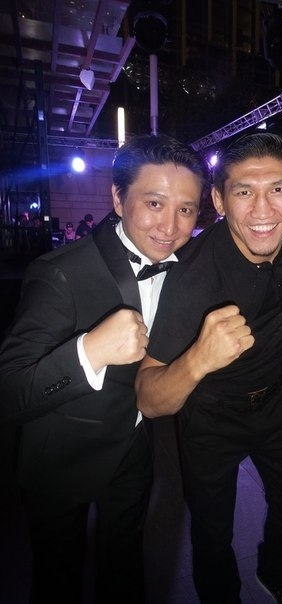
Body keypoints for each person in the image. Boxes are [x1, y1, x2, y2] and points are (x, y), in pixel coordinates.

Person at [0, 133, 209, 604]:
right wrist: (89, 352)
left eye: (186, 209)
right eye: (153, 203)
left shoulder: (186, 265)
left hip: (132, 450)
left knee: (125, 567)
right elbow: (8, 391)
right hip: (60, 458)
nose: (170, 226)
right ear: (118, 198)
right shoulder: (60, 273)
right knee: (57, 577)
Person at [136, 133, 282, 604]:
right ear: (219, 201)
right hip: (210, 416)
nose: (263, 210)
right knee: (212, 528)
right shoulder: (192, 277)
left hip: (277, 402)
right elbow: (149, 398)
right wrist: (198, 358)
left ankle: (274, 572)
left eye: (277, 189)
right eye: (243, 191)